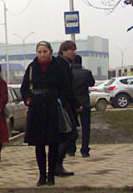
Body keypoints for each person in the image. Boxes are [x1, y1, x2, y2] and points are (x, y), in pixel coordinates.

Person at [21, 41, 70, 186]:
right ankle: (42, 176)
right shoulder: (31, 67)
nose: (42, 55)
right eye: (39, 52)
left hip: (52, 107)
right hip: (36, 108)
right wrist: (28, 100)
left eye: (45, 51)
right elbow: (24, 88)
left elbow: (65, 86)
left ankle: (51, 176)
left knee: (53, 143)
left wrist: (59, 100)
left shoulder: (58, 66)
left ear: (50, 52)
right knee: (39, 144)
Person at [55, 41, 79, 176]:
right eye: (71, 50)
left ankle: (57, 165)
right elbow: (66, 87)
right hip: (62, 104)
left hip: (64, 103)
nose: (74, 52)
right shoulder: (61, 64)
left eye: (74, 50)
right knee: (70, 134)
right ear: (63, 51)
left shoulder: (66, 64)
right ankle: (56, 165)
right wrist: (75, 103)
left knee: (65, 135)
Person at [72, 55, 95, 157]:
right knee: (86, 127)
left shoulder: (69, 73)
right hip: (85, 102)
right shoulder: (87, 73)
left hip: (73, 102)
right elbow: (92, 83)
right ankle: (85, 150)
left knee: (72, 127)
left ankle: (71, 148)